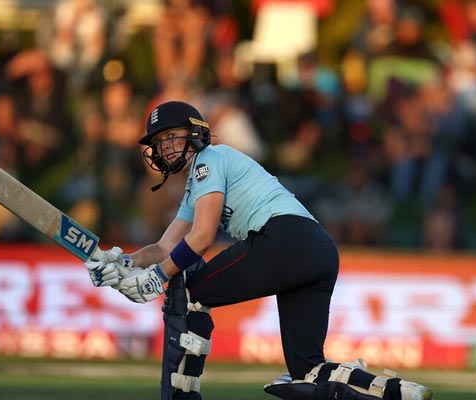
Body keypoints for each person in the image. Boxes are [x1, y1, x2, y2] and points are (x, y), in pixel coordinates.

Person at [83, 101, 434, 400]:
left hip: (283, 239)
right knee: (307, 370)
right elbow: (165, 246)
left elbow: (201, 238)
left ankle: (181, 395)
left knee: (193, 294)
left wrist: (155, 279)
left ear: (195, 134)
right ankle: (393, 391)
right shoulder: (200, 182)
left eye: (172, 137)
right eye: (160, 143)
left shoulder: (210, 160)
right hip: (317, 251)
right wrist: (123, 261)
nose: (166, 148)